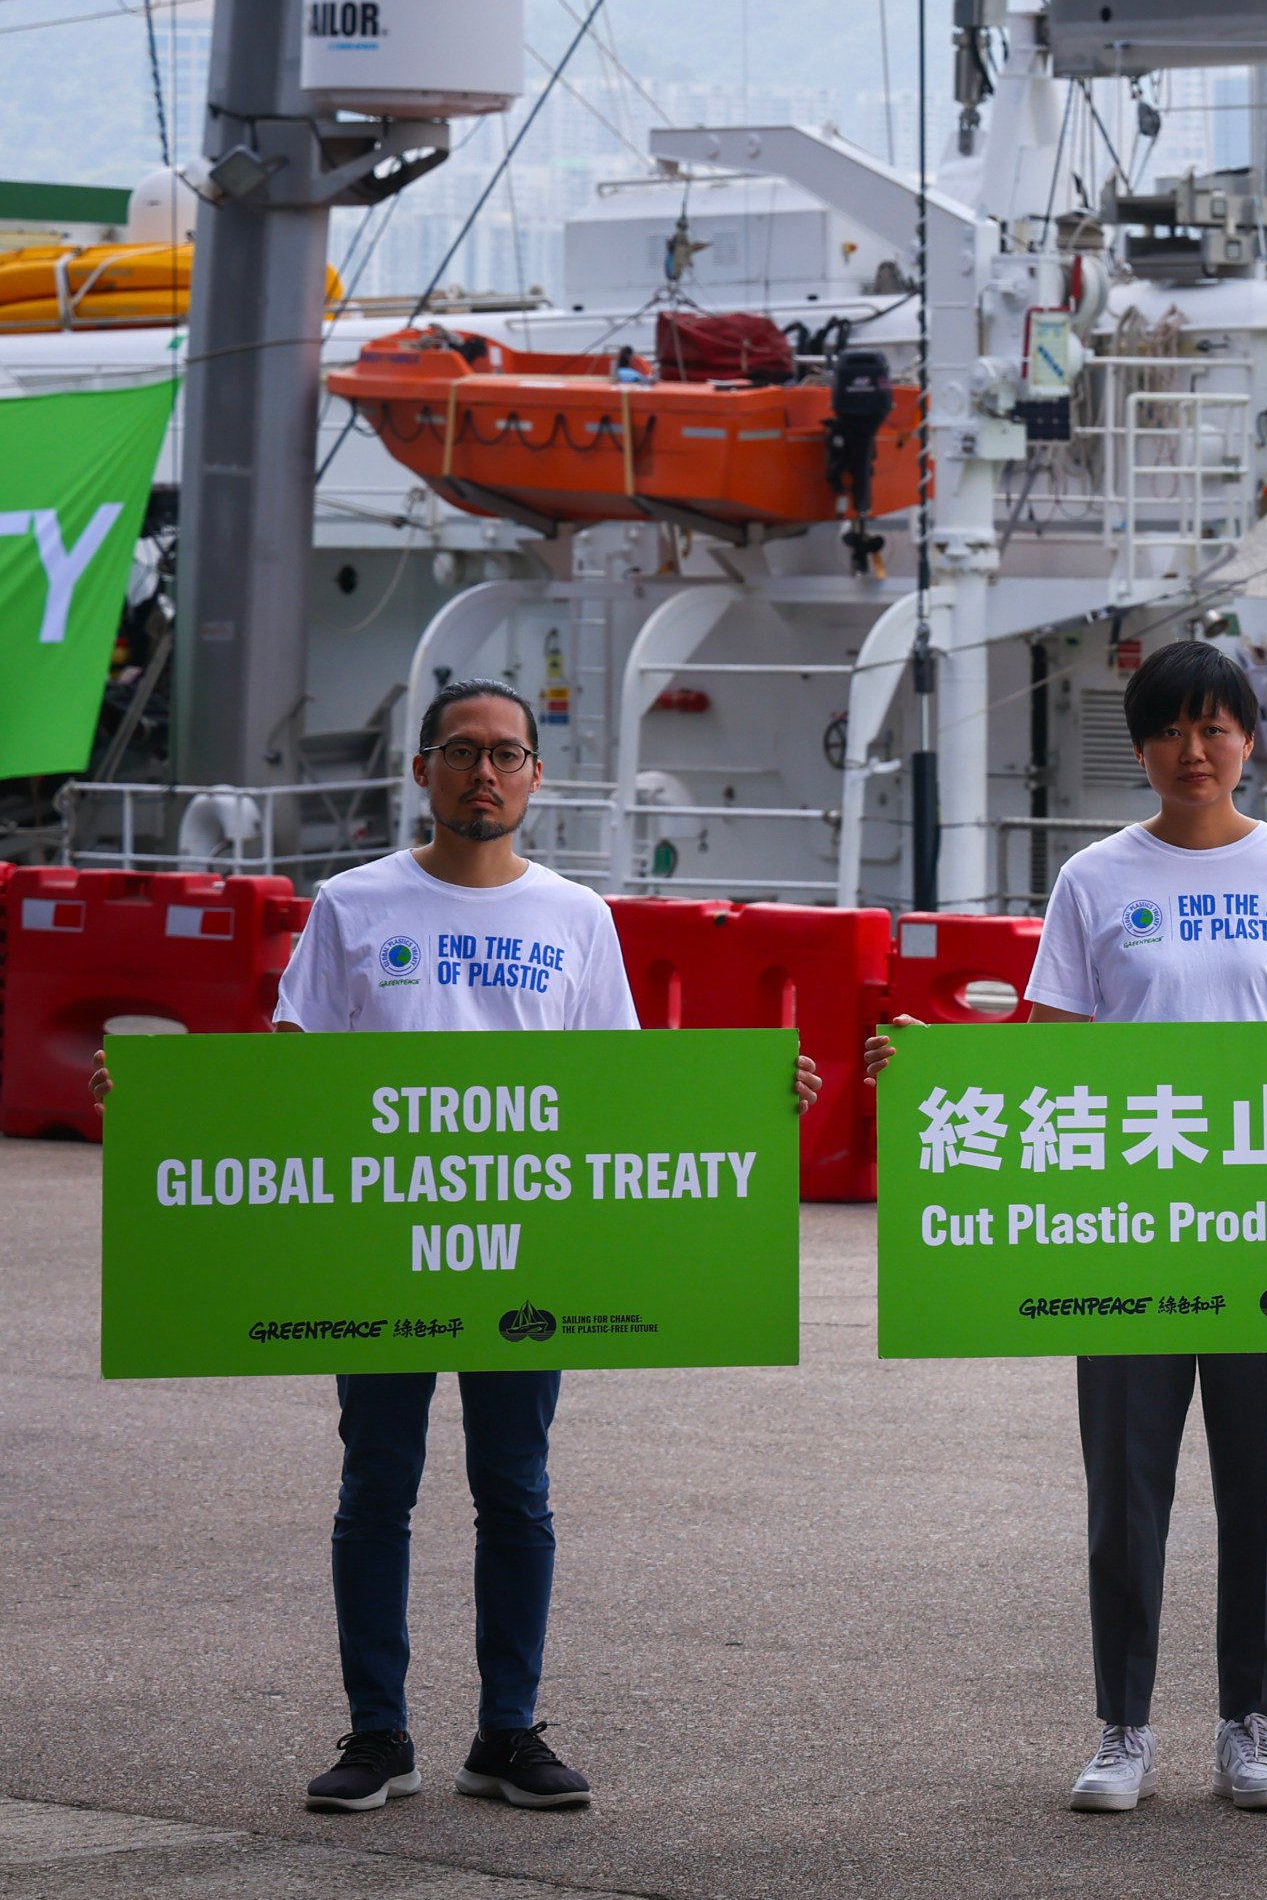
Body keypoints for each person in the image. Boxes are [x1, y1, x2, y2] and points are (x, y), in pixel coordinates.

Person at [99, 678, 822, 1816]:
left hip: (526, 1248)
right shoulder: (354, 903)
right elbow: (291, 1079)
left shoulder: (576, 916)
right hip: (382, 1244)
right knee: (375, 1484)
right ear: (423, 769)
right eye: (462, 751)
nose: (484, 772)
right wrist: (163, 1106)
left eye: (508, 754)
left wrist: (749, 1098)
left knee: (516, 1488)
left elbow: (625, 1091)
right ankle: (378, 1733)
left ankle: (508, 1730)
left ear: (536, 776)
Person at [873, 639, 1267, 1817]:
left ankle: (1251, 1725)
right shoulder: (1095, 878)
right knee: (1127, 1485)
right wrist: (930, 1063)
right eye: (1169, 729)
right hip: (1130, 1225)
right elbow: (1048, 1048)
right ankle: (1123, 1724)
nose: (1193, 749)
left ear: (1249, 738)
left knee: (1262, 1483)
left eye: (1216, 726)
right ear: (1143, 746)